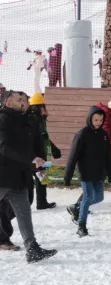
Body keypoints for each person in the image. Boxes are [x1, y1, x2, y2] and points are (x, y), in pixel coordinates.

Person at [0, 90, 57, 263]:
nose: (24, 102)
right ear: (8, 103)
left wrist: (39, 162)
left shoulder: (29, 120)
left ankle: (32, 249)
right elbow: (4, 147)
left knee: (24, 212)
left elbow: (35, 144)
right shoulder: (2, 120)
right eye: (19, 100)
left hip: (20, 176)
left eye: (25, 99)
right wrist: (31, 158)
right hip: (2, 175)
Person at [63, 106, 111, 237]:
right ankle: (81, 226)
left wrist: (110, 172)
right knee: (88, 197)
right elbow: (73, 156)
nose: (98, 122)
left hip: (99, 173)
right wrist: (67, 175)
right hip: (85, 172)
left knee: (99, 197)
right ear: (90, 119)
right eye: (96, 120)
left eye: (101, 120)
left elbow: (108, 155)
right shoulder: (82, 134)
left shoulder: (104, 135)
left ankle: (76, 207)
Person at [27, 93, 61, 209]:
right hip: (38, 155)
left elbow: (44, 137)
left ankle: (40, 202)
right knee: (41, 179)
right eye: (43, 106)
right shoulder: (34, 120)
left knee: (40, 179)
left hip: (39, 154)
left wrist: (54, 148)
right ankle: (40, 202)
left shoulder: (39, 119)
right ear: (40, 106)